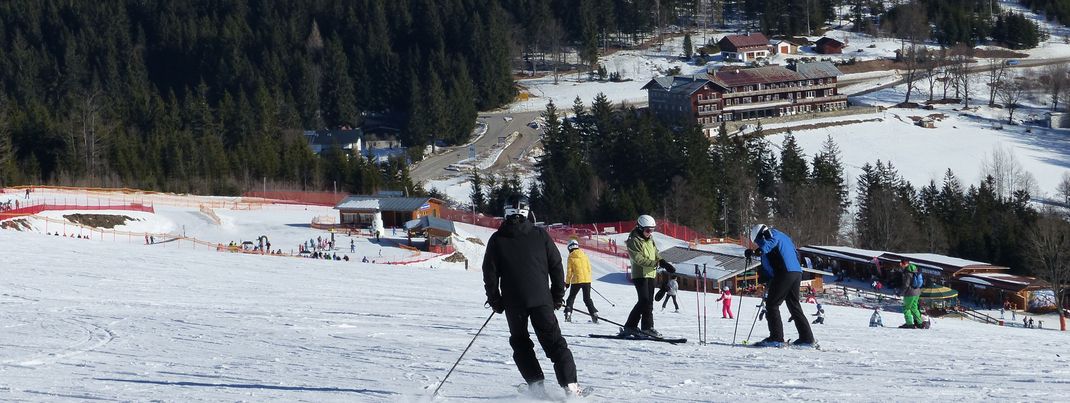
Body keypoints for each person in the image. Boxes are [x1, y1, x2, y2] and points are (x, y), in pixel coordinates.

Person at [482, 195, 582, 396]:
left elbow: (489, 274)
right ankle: (570, 386)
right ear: (527, 212)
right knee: (554, 343)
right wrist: (557, 296)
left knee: (521, 343)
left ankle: (536, 386)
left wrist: (495, 301)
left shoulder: (497, 239)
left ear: (506, 212)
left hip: (513, 303)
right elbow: (556, 266)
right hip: (541, 300)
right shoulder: (540, 235)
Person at [744, 224, 815, 348]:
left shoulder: (772, 234)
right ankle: (807, 338)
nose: (758, 243)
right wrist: (765, 273)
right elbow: (772, 255)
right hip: (796, 272)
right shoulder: (783, 237)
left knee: (772, 305)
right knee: (794, 305)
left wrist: (758, 251)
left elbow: (770, 244)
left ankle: (776, 338)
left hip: (785, 272)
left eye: (757, 241)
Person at [621, 215, 676, 338]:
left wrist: (663, 262)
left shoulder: (650, 239)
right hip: (640, 274)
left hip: (651, 273)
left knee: (649, 302)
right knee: (644, 300)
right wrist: (655, 264)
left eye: (652, 230)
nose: (650, 233)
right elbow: (638, 258)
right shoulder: (633, 240)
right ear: (640, 228)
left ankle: (647, 327)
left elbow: (655, 253)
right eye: (647, 230)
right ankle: (630, 325)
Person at [563, 240, 598, 324]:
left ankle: (568, 312)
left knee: (571, 297)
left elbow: (569, 271)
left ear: (570, 247)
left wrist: (567, 283)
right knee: (587, 298)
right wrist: (587, 279)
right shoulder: (584, 255)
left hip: (577, 280)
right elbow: (589, 268)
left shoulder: (571, 256)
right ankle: (594, 313)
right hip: (586, 280)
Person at [897, 259, 924, 329]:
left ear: (903, 264)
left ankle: (909, 324)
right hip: (917, 292)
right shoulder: (915, 270)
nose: (901, 265)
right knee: (914, 308)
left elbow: (906, 285)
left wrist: (899, 293)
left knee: (906, 308)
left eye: (901, 264)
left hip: (910, 293)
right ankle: (920, 323)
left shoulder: (907, 272)